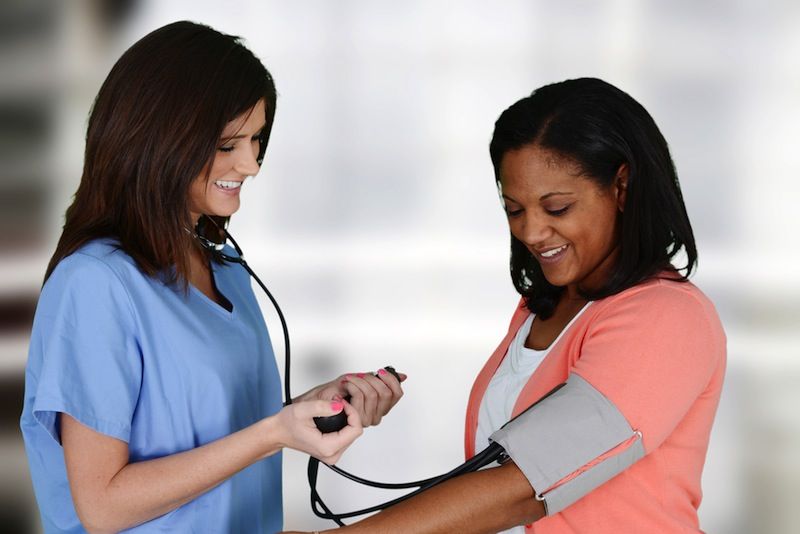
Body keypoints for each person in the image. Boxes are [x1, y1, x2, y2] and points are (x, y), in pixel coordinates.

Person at [283, 78, 725, 533]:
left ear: (622, 187)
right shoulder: (539, 309)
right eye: (515, 209)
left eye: (556, 208)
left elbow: (524, 486)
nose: (531, 232)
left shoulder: (668, 317)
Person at [19, 21, 404, 534]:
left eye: (256, 140)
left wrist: (313, 408)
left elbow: (210, 431)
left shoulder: (226, 271)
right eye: (227, 144)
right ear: (158, 139)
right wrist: (274, 432)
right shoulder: (96, 284)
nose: (250, 165)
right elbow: (103, 505)